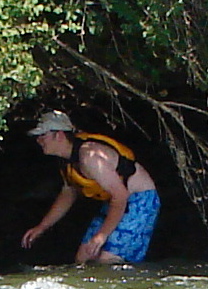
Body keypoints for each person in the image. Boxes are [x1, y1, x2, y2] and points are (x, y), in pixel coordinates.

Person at [19, 110, 160, 265]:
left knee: (107, 260)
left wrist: (101, 236)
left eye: (42, 135)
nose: (39, 140)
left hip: (139, 199)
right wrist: (42, 227)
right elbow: (69, 193)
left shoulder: (89, 157)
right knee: (82, 258)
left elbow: (120, 196)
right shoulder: (66, 160)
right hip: (116, 200)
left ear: (58, 135)